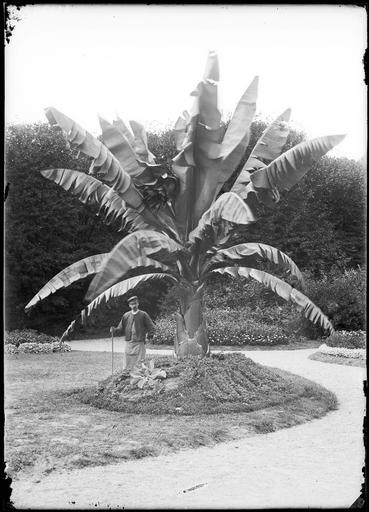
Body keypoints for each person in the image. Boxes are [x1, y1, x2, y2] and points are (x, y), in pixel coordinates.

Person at [110, 296, 155, 370]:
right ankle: (126, 375)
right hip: (129, 343)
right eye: (132, 304)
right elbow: (120, 327)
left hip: (139, 342)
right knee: (127, 362)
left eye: (135, 303)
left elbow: (151, 326)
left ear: (138, 304)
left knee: (140, 362)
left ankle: (139, 376)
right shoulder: (126, 315)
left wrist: (150, 335)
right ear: (129, 305)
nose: (134, 305)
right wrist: (114, 330)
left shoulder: (143, 314)